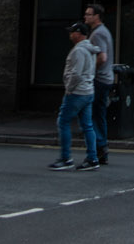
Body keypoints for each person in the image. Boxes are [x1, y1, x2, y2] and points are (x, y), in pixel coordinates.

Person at [52, 21, 101, 171]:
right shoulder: (90, 49)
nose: (70, 34)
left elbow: (76, 73)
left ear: (79, 33)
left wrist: (69, 89)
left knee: (63, 122)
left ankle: (66, 158)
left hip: (77, 93)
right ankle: (92, 158)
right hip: (88, 91)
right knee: (87, 126)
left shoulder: (79, 51)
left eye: (72, 31)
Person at [83, 2, 114, 165]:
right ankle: (101, 149)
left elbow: (102, 58)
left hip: (99, 79)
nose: (85, 16)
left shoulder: (98, 34)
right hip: (106, 79)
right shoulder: (103, 31)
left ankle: (99, 148)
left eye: (88, 14)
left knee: (93, 115)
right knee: (99, 115)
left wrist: (89, 68)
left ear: (96, 17)